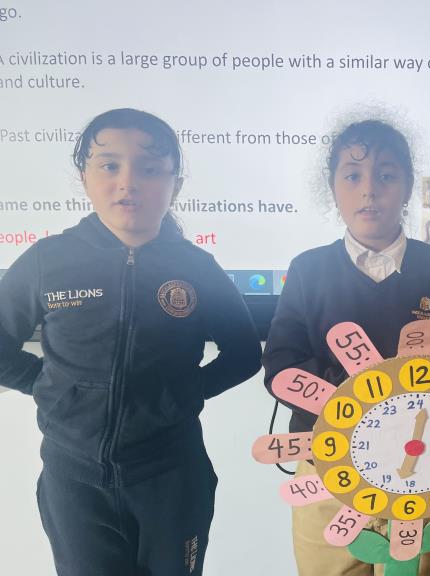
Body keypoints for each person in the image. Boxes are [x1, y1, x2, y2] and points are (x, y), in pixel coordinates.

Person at [0, 108, 262, 576]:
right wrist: (49, 386)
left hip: (172, 475)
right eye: (109, 165)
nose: (128, 182)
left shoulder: (197, 267)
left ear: (174, 184)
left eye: (150, 168)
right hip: (73, 479)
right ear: (84, 177)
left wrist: (180, 393)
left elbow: (244, 354)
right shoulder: (47, 261)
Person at [262, 119, 430, 576]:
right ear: (333, 187)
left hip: (422, 470)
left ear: (407, 187)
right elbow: (281, 364)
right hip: (327, 467)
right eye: (352, 175)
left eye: (386, 175)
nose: (369, 190)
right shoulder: (308, 270)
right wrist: (357, 396)